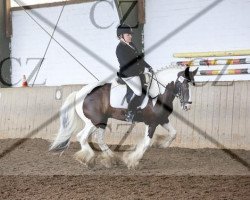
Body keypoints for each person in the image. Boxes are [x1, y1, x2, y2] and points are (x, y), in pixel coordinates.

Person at [116, 24, 153, 122]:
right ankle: (130, 113)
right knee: (138, 92)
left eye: (130, 34)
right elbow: (128, 64)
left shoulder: (132, 45)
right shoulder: (120, 49)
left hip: (136, 72)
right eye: (128, 35)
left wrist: (148, 66)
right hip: (128, 74)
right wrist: (141, 70)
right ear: (121, 36)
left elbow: (139, 59)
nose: (130, 36)